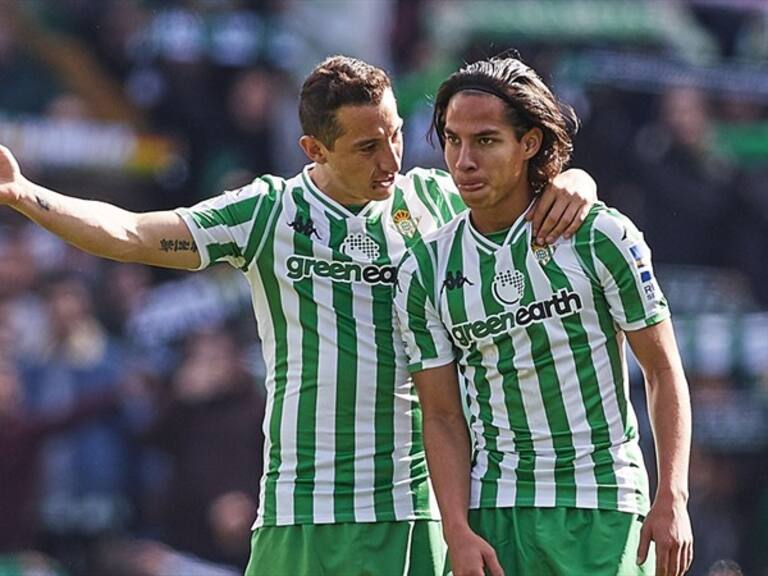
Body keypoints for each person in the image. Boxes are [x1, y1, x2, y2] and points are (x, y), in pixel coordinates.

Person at [0, 55, 597, 575]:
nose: (390, 158)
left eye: (394, 134)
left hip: (411, 509)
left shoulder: (434, 200)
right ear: (315, 149)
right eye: (367, 147)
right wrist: (26, 195)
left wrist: (576, 180)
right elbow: (132, 233)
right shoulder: (269, 214)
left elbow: (525, 193)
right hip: (299, 507)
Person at [395, 55, 693, 576]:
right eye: (452, 139)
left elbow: (662, 369)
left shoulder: (600, 236)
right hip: (495, 513)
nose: (464, 160)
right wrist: (456, 530)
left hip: (603, 506)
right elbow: (441, 416)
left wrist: (672, 494)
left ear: (529, 143)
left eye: (486, 140)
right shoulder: (425, 268)